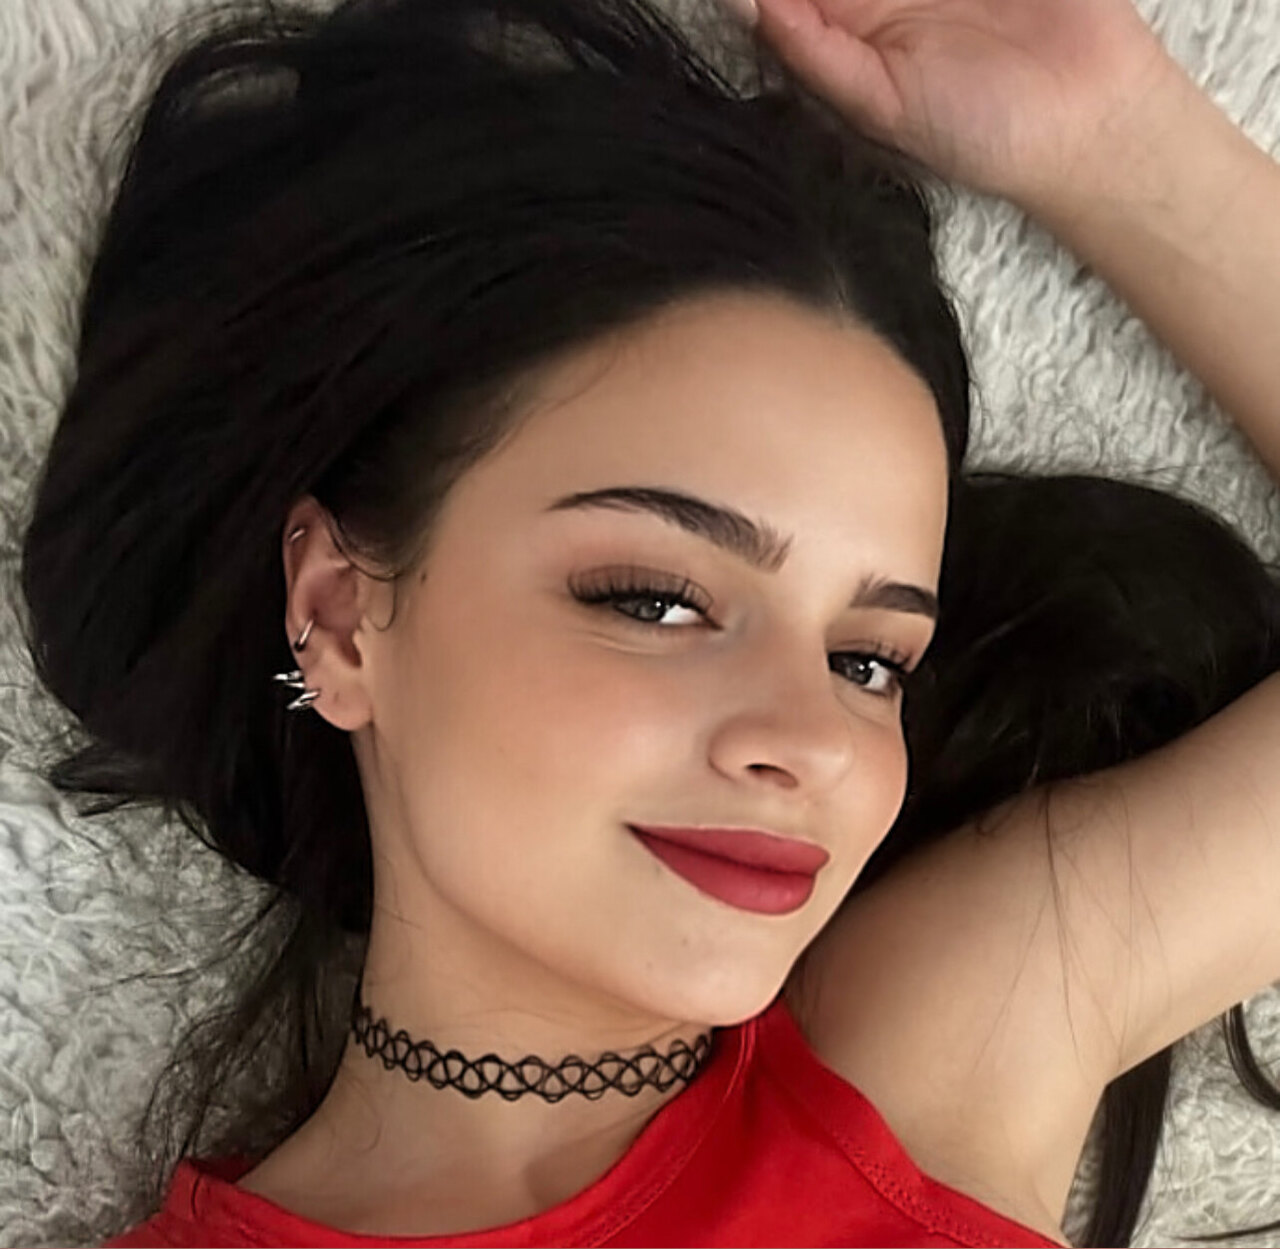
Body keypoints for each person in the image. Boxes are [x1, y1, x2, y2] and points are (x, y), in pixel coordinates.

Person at [12, 0, 1279, 1244]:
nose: (811, 741)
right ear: (340, 618)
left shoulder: (932, 1050)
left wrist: (1124, 146)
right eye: (657, 599)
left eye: (866, 660)